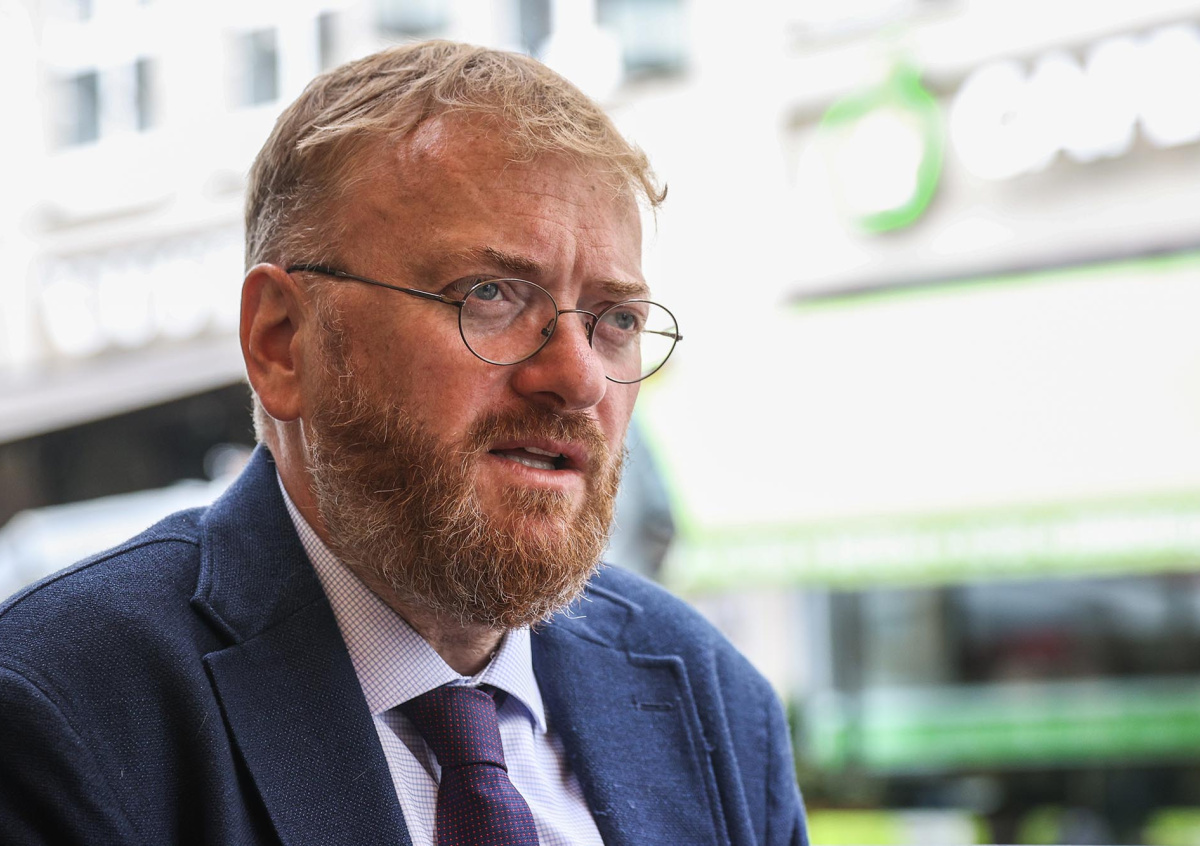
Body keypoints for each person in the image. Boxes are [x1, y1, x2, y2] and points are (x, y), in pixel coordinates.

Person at [0, 41, 808, 845]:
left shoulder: (714, 705)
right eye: (490, 295)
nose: (579, 378)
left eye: (617, 319)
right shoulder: (61, 707)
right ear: (282, 343)